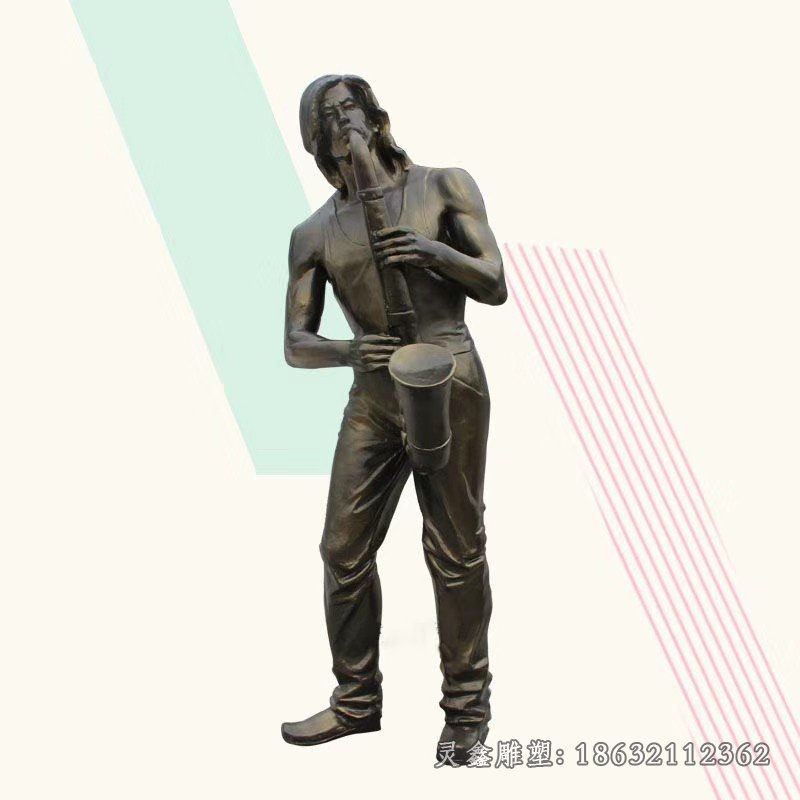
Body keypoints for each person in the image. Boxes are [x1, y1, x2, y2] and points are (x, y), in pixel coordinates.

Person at [281, 74, 507, 763]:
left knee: (455, 546)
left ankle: (467, 712)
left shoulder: (443, 186)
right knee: (342, 550)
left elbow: (495, 283)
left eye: (350, 106)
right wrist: (351, 351)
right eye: (327, 117)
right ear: (317, 143)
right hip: (374, 394)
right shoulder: (313, 232)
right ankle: (356, 702)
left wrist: (432, 252)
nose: (343, 121)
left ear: (375, 117)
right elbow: (295, 344)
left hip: (448, 375)